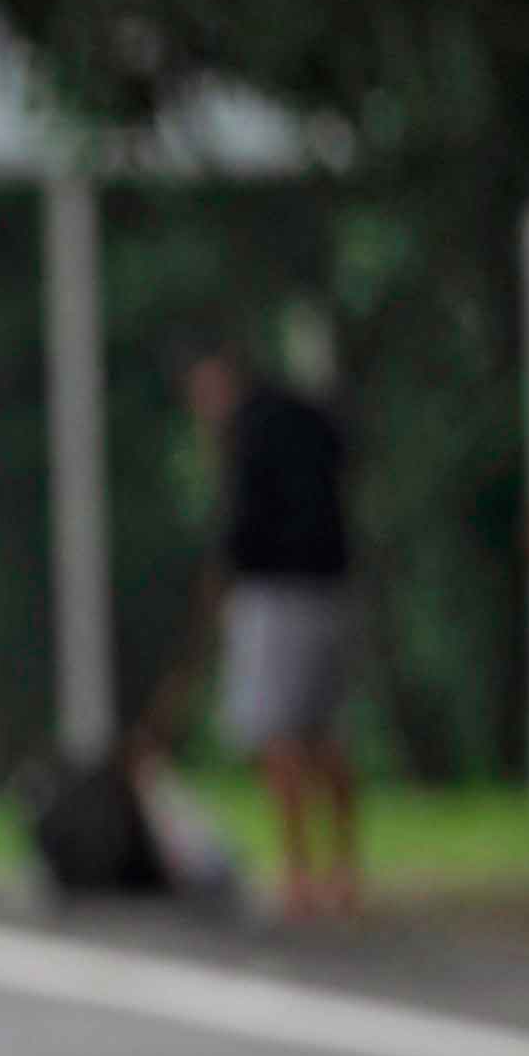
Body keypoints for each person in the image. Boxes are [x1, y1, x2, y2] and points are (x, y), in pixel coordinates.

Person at [189, 344, 361, 920]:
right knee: (324, 731)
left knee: (278, 734)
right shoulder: (309, 420)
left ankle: (297, 873)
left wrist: (220, 589)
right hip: (330, 588)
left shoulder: (247, 432)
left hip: (271, 596)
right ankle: (345, 869)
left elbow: (238, 525)